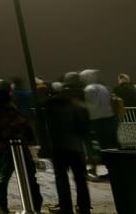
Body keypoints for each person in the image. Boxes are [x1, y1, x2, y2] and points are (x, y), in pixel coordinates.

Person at [40, 80, 91, 214]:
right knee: (80, 179)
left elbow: (45, 128)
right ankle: (84, 206)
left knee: (61, 179)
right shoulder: (78, 107)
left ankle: (66, 207)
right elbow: (84, 128)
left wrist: (46, 145)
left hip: (58, 147)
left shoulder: (50, 107)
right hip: (76, 147)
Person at [0, 86, 39, 214]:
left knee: (2, 178)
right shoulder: (18, 115)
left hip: (3, 151)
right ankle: (35, 205)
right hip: (22, 150)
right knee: (30, 179)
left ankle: (2, 206)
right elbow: (30, 134)